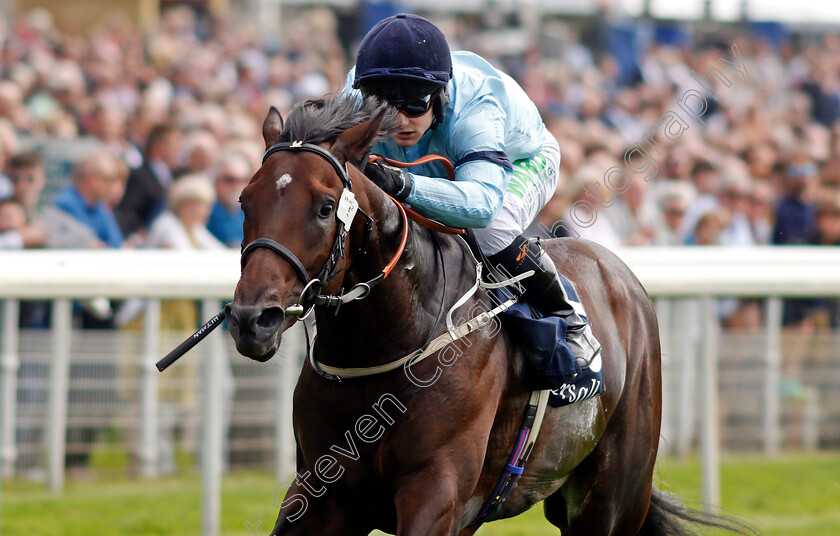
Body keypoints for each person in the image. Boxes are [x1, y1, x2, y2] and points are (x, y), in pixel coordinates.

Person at [342, 14, 600, 373]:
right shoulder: (354, 92)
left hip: (520, 160)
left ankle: (569, 317)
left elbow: (481, 206)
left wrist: (403, 184)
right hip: (428, 159)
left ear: (440, 94)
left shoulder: (477, 106)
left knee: (491, 228)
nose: (399, 120)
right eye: (384, 106)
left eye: (414, 103)